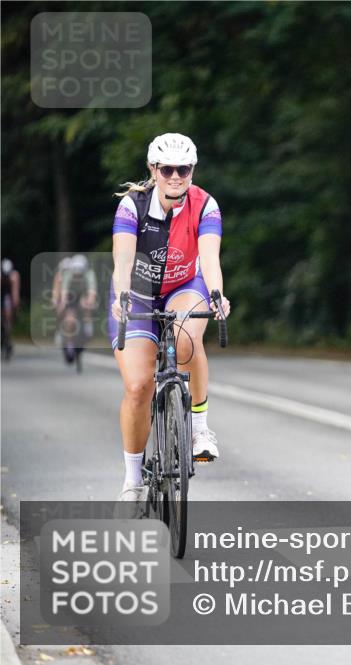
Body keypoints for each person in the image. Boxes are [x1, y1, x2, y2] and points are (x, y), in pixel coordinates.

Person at [108, 133, 230, 504]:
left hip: (184, 285)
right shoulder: (133, 205)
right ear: (153, 169)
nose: (175, 177)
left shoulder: (205, 205)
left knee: (187, 336)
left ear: (193, 170)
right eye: (167, 170)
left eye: (184, 169)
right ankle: (133, 481)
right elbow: (123, 260)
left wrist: (217, 294)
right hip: (138, 292)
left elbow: (210, 258)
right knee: (138, 387)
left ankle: (200, 430)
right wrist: (123, 295)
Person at [54, 254, 98, 365]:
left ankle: (88, 325)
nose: (77, 277)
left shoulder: (90, 274)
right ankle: (69, 343)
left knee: (87, 303)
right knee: (70, 320)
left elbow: (92, 291)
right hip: (71, 296)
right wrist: (62, 305)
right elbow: (64, 293)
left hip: (83, 295)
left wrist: (90, 302)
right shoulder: (67, 274)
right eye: (75, 275)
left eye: (80, 275)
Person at [1, 258, 21, 360]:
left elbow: (15, 294)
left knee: (8, 316)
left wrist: (15, 307)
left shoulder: (14, 276)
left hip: (8, 296)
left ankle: (8, 337)